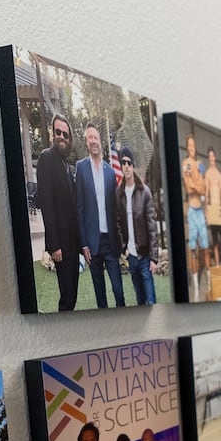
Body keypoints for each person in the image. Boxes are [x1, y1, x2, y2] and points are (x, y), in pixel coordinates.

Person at [75, 124, 126, 309]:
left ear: (100, 141)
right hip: (92, 244)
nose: (94, 141)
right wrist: (84, 244)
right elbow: (79, 208)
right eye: (90, 138)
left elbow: (117, 210)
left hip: (110, 242)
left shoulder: (110, 171)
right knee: (100, 294)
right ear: (87, 141)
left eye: (96, 137)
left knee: (119, 290)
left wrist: (122, 240)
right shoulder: (80, 168)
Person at [35, 114, 82, 310]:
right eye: (58, 132)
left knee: (73, 293)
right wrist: (54, 245)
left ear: (70, 138)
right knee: (67, 295)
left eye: (65, 133)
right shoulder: (46, 159)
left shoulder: (67, 166)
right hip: (60, 245)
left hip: (73, 244)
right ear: (52, 134)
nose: (62, 136)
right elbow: (47, 204)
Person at [118, 149, 158, 304]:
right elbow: (118, 224)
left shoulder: (144, 191)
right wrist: (124, 248)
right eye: (123, 163)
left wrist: (154, 258)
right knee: (140, 301)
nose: (126, 166)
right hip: (132, 258)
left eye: (129, 163)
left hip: (145, 256)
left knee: (151, 300)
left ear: (133, 166)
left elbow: (152, 226)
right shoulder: (119, 194)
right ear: (121, 166)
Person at [181, 133, 209, 296]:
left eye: (194, 145)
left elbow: (203, 187)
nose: (192, 148)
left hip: (201, 210)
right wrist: (197, 185)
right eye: (190, 145)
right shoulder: (187, 164)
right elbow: (189, 187)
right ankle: (196, 287)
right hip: (192, 210)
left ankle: (209, 281)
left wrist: (197, 185)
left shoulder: (199, 164)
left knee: (205, 247)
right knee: (193, 248)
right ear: (187, 147)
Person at [205, 146, 221, 273]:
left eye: (213, 156)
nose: (212, 159)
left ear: (215, 157)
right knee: (215, 242)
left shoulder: (218, 174)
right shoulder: (208, 174)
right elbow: (207, 193)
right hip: (212, 211)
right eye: (210, 157)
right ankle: (219, 268)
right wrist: (206, 212)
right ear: (208, 159)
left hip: (219, 212)